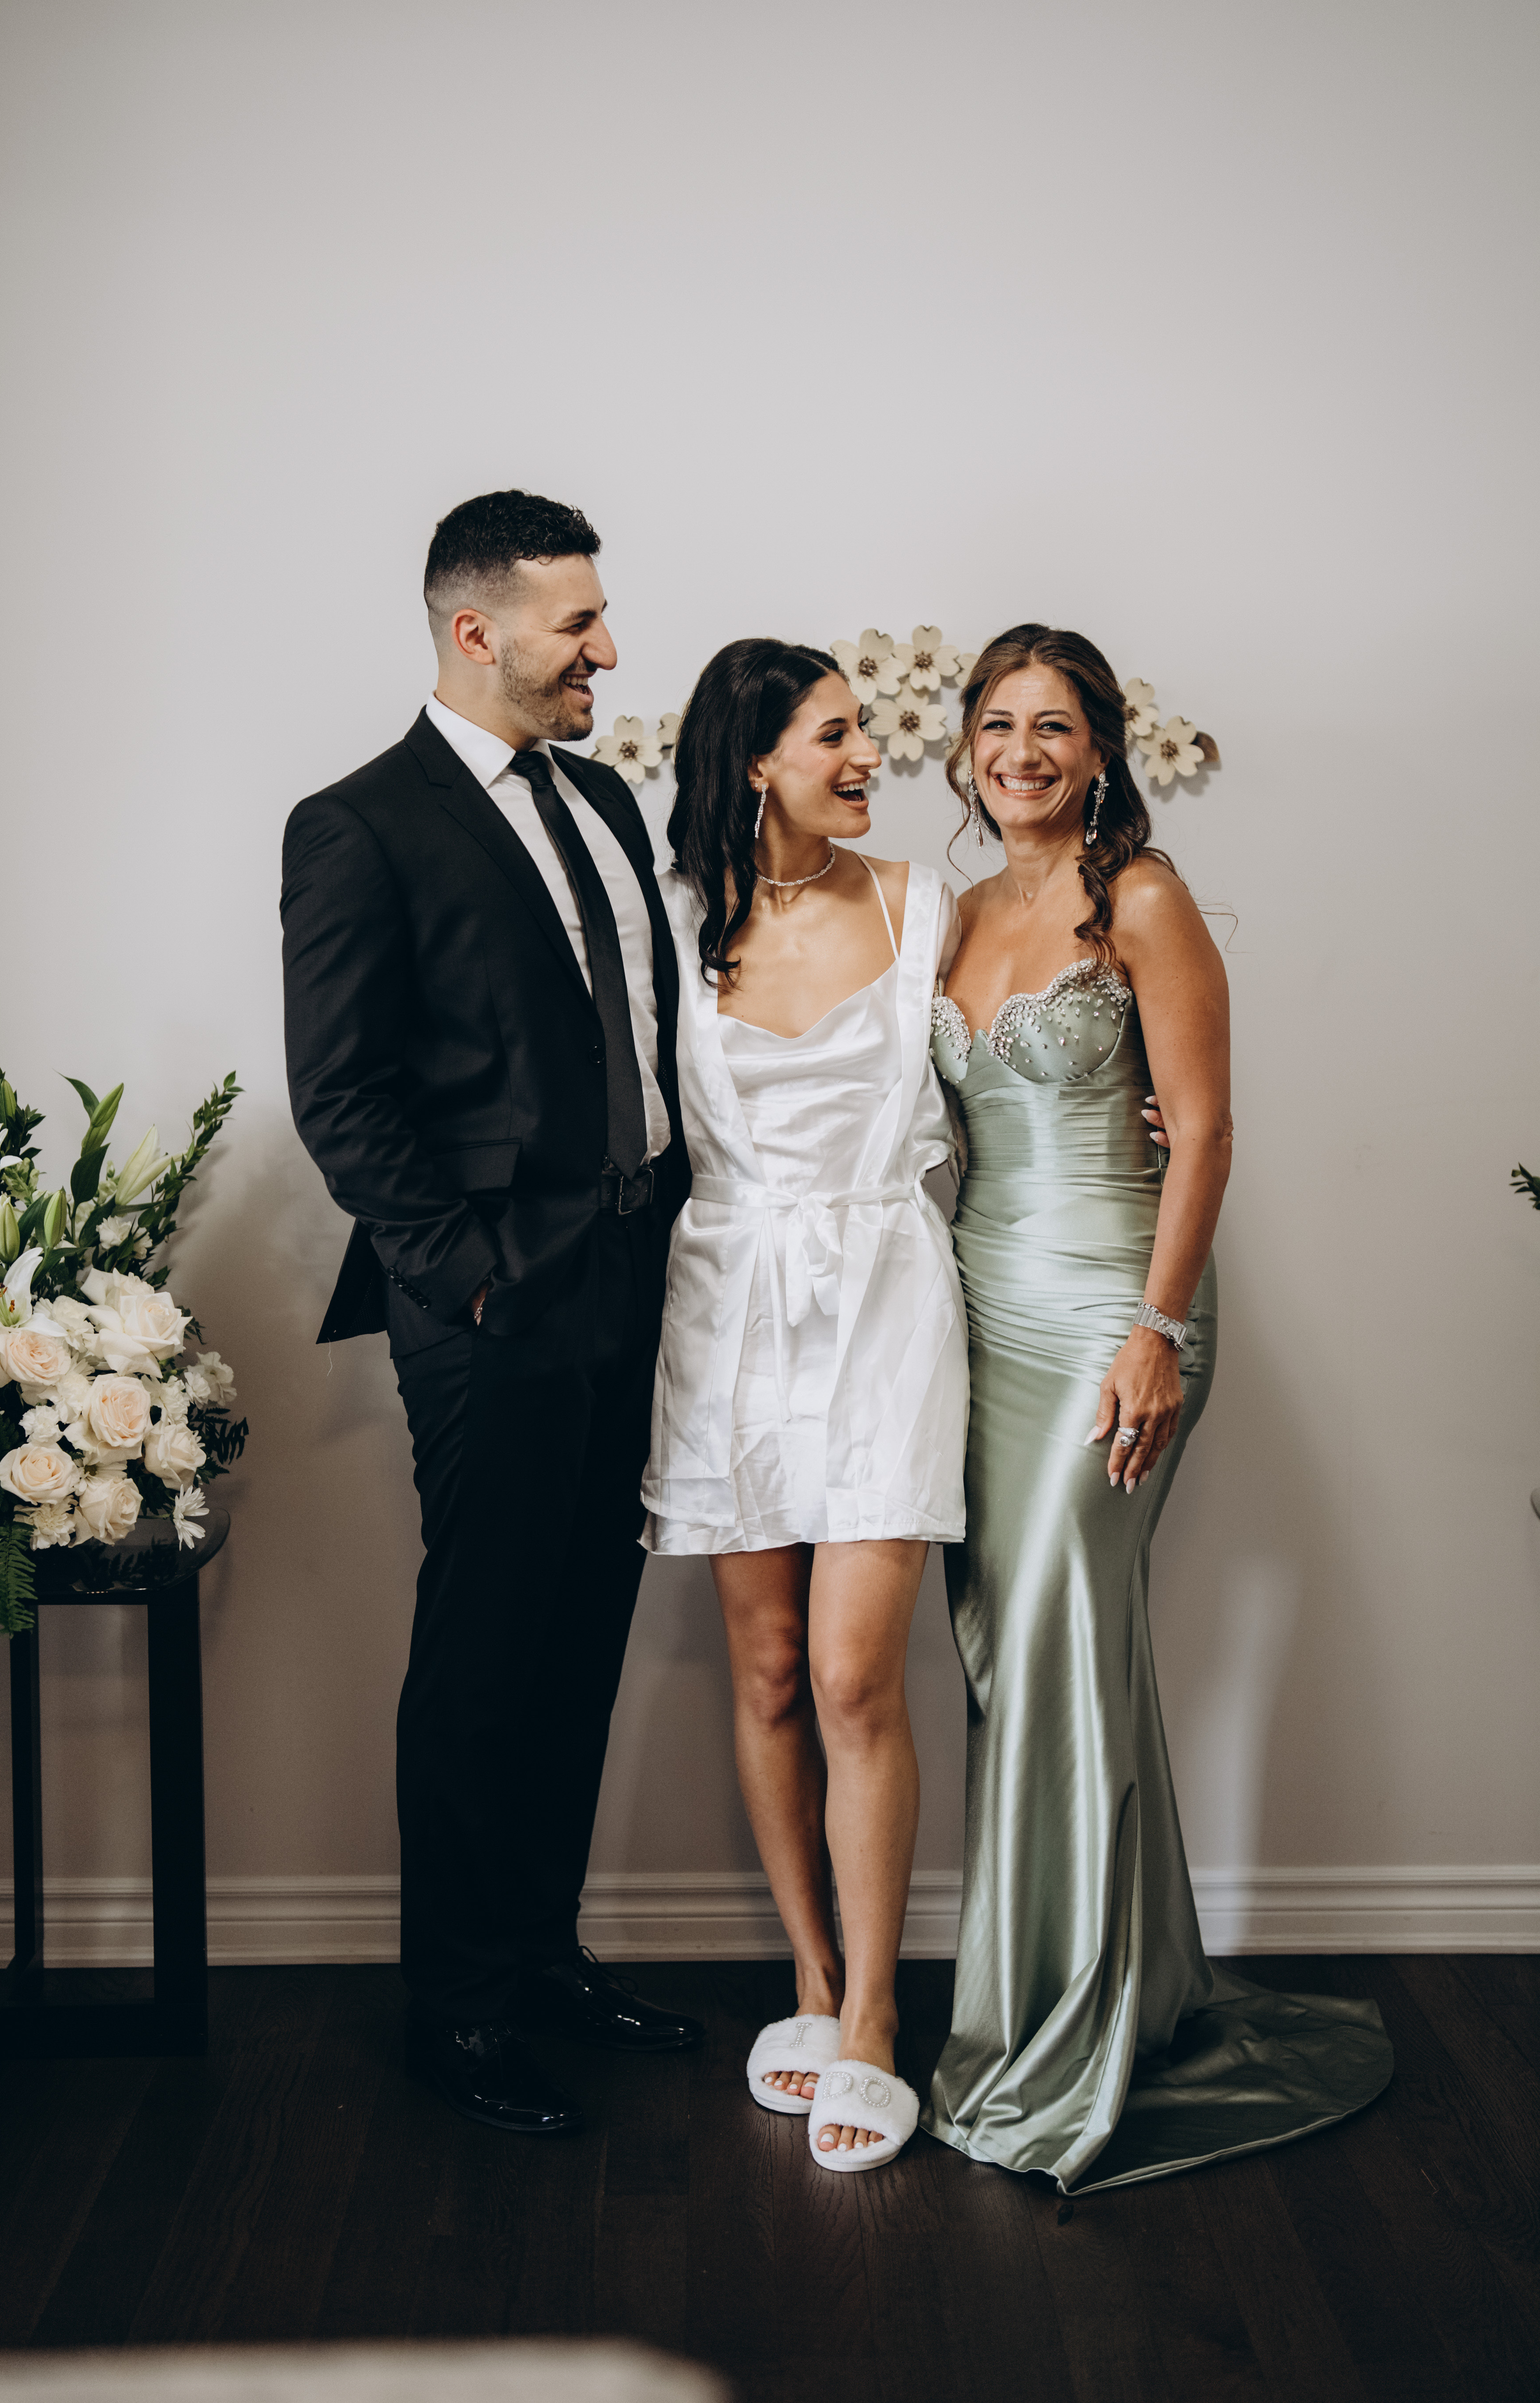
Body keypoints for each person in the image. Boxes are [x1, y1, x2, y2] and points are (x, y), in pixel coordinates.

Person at [923, 623, 1392, 2190]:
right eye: (1000, 724)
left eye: (1055, 726)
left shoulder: (1143, 899)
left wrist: (1158, 1331)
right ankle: (1107, 1985)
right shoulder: (955, 915)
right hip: (979, 1318)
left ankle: (1061, 2038)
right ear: (966, 747)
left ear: (1101, 751)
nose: (1024, 752)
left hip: (1113, 1311)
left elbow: (1206, 1133)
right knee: (1024, 1653)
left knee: (1063, 1627)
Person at [281, 490, 702, 2139]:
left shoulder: (602, 798)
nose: (609, 648)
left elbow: (649, 1033)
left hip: (637, 1277)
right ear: (479, 631)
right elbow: (343, 1094)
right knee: (484, 1653)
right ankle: (457, 2009)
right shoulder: (358, 825)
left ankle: (539, 1956)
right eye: (578, 622)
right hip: (492, 1304)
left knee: (583, 1635)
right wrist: (465, 1274)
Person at [643, 639, 969, 2174]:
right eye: (836, 736)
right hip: (727, 1314)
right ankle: (813, 1983)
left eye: (865, 731)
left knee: (853, 1679)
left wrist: (1141, 1110)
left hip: (888, 1306)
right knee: (770, 1670)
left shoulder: (923, 907)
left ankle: (881, 2022)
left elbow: (1022, 1056)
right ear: (756, 758)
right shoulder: (666, 923)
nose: (869, 759)